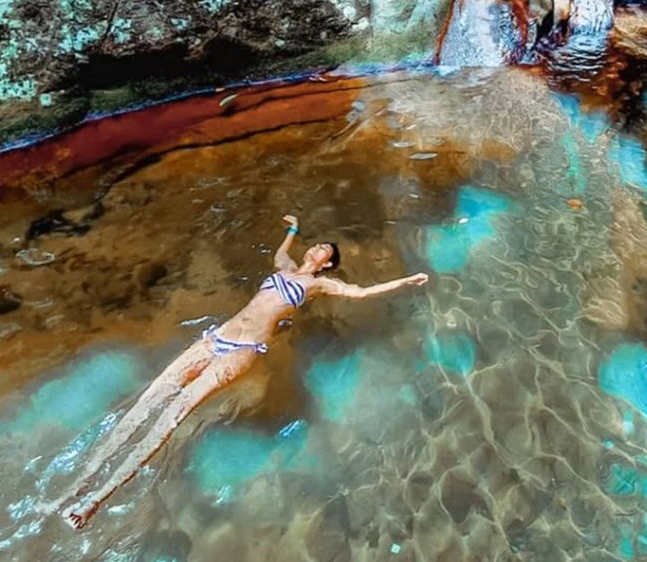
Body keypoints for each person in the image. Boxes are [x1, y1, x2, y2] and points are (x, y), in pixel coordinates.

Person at [57, 215, 429, 529]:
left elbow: (360, 293)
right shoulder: (284, 267)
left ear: (329, 264)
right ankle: (82, 478)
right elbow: (281, 252)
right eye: (316, 246)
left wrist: (405, 281)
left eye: (325, 253)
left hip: (243, 352)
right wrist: (294, 230)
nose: (318, 251)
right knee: (149, 398)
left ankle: (96, 501)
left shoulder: (319, 285)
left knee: (173, 414)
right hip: (215, 337)